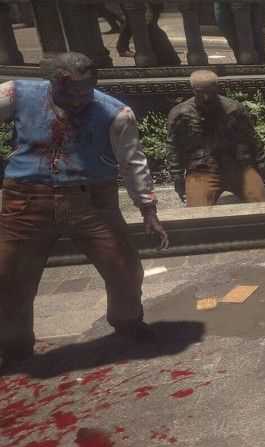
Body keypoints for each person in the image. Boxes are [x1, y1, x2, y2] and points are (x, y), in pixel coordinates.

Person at [0, 53, 169, 372]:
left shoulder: (116, 113)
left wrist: (148, 209)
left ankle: (128, 322)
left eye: (85, 91)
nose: (79, 99)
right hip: (25, 201)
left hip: (92, 201)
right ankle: (14, 346)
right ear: (53, 82)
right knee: (9, 276)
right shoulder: (15, 94)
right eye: (70, 92)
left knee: (124, 267)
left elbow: (133, 162)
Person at [167, 70, 265, 207]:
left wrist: (261, 169)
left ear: (217, 89)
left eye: (210, 92)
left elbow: (252, 139)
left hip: (238, 167)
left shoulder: (234, 109)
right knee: (197, 212)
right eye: (200, 92)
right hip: (203, 169)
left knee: (261, 205)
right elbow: (173, 147)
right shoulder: (180, 113)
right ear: (193, 90)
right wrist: (177, 177)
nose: (206, 97)